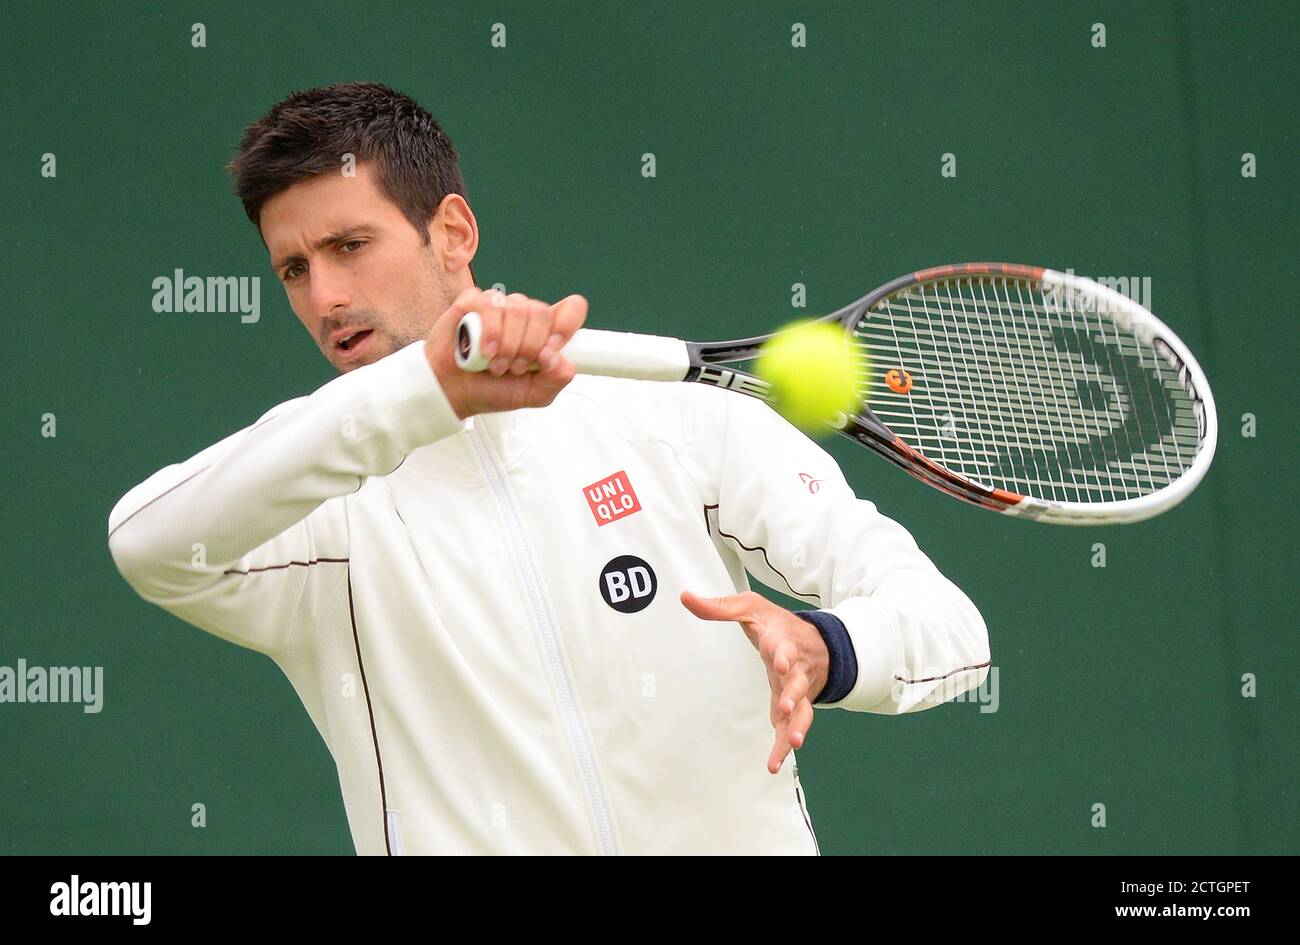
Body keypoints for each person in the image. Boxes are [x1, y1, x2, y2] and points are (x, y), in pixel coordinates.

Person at [107, 82, 990, 855]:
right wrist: (429, 390)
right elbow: (146, 541)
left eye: (349, 246)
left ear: (452, 232)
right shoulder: (320, 502)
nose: (324, 297)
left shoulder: (680, 422)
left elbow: (952, 631)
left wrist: (827, 648)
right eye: (293, 269)